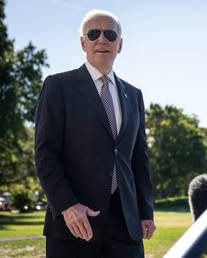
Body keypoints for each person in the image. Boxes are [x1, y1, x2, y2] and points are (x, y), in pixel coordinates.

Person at [34, 9, 155, 257]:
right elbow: (45, 154)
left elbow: (138, 159)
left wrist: (145, 212)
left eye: (110, 34)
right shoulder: (58, 87)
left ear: (119, 45)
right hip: (76, 223)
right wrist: (67, 205)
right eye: (94, 33)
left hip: (125, 226)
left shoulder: (134, 95)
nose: (102, 39)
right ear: (83, 42)